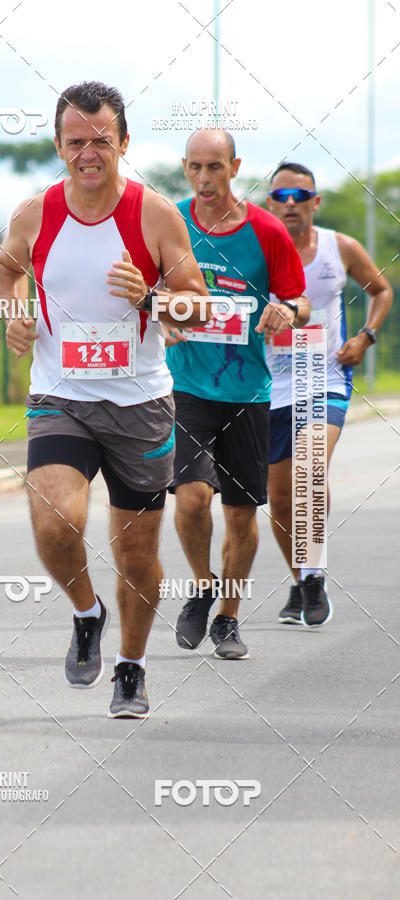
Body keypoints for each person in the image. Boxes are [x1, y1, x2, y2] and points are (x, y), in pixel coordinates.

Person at [0, 81, 209, 718]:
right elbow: (6, 270)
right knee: (54, 519)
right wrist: (15, 309)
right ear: (59, 145)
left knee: (136, 550)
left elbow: (195, 306)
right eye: (76, 142)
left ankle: (131, 667)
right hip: (60, 394)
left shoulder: (155, 215)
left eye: (101, 141)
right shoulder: (35, 213)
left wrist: (150, 296)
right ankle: (87, 613)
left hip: (140, 403)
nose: (89, 153)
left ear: (124, 143)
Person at [167, 129, 309, 659]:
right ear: (185, 168)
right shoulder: (170, 220)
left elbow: (300, 301)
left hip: (248, 389)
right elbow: (146, 284)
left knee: (242, 515)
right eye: (196, 168)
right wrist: (162, 313)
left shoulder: (267, 230)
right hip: (185, 386)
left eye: (216, 168)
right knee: (191, 499)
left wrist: (285, 311)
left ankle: (227, 615)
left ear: (235, 166)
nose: (205, 179)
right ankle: (202, 585)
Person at [265, 161, 393, 626]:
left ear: (315, 202)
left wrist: (365, 337)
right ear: (269, 203)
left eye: (301, 197)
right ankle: (301, 583)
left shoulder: (339, 248)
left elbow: (381, 290)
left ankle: (314, 573)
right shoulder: (257, 250)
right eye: (281, 197)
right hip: (270, 388)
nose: (291, 205)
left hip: (325, 377)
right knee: (279, 499)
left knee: (310, 465)